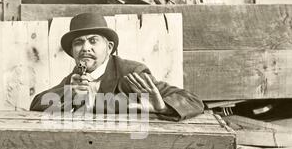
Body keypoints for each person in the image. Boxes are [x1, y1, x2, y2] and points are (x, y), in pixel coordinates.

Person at [30, 12, 204, 121]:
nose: (85, 48)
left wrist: (162, 107)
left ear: (109, 47)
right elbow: (37, 102)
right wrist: (70, 94)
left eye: (93, 41)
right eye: (78, 43)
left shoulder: (131, 73)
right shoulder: (77, 77)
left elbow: (193, 100)